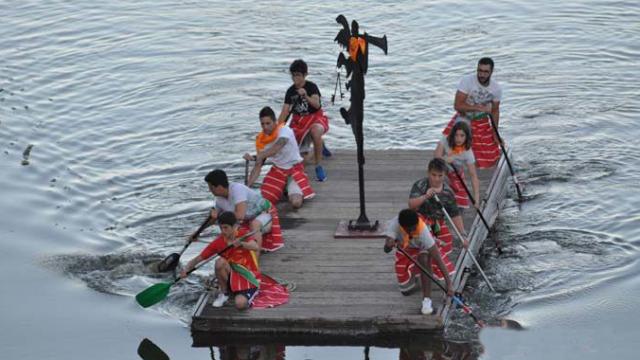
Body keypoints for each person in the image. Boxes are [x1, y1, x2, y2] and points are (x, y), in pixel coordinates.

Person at [181, 211, 260, 310]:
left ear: (234, 226)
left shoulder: (243, 234)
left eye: (226, 228)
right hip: (230, 274)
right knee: (220, 262)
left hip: (247, 275)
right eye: (221, 228)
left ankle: (249, 289)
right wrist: (186, 269)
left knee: (240, 305)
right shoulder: (218, 242)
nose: (223, 231)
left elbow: (255, 247)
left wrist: (242, 244)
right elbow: (198, 258)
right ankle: (224, 293)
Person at [189, 169, 283, 252]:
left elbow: (240, 215)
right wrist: (198, 232)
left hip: (266, 214)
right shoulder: (219, 200)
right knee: (227, 230)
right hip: (247, 220)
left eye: (211, 188)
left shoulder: (237, 189)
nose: (210, 190)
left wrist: (219, 217)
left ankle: (256, 259)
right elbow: (213, 219)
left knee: (254, 224)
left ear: (219, 187)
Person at [408, 158, 470, 284]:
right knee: (432, 246)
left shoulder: (448, 192)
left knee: (445, 244)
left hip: (437, 223)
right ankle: (423, 272)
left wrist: (462, 235)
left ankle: (430, 270)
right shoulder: (420, 185)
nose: (436, 179)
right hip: (419, 221)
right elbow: (411, 205)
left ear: (444, 175)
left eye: (440, 176)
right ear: (428, 173)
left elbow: (455, 214)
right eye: (433, 175)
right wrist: (425, 196)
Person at [384, 209, 454, 315]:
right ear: (402, 226)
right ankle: (415, 276)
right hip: (406, 249)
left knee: (424, 260)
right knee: (406, 290)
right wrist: (389, 244)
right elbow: (386, 250)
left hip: (422, 246)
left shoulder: (422, 230)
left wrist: (449, 285)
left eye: (414, 228)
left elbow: (438, 260)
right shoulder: (394, 226)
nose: (412, 231)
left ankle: (427, 300)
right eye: (409, 230)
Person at [245, 106, 315, 209]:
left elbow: (277, 147)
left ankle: (289, 187)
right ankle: (283, 188)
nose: (265, 127)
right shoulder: (260, 140)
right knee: (264, 203)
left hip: (294, 169)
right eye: (262, 124)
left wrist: (257, 156)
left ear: (275, 122)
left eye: (268, 123)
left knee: (296, 203)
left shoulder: (284, 130)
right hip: (277, 171)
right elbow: (258, 167)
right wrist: (247, 186)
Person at [443, 57, 502, 168]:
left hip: (482, 120)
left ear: (491, 72)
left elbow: (495, 111)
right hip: (465, 117)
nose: (482, 74)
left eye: (485, 72)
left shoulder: (496, 88)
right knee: (454, 144)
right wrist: (476, 108)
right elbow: (457, 105)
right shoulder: (467, 81)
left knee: (490, 158)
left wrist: (495, 133)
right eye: (479, 71)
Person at [277, 59, 330, 182]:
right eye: (293, 75)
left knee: (316, 131)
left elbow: (317, 105)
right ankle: (320, 147)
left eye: (298, 75)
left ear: (305, 75)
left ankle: (318, 166)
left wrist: (306, 96)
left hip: (315, 117)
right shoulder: (290, 91)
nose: (295, 78)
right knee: (302, 160)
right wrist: (276, 129)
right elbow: (285, 112)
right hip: (298, 122)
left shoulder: (311, 87)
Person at [434, 121, 481, 209]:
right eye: (456, 135)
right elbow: (436, 158)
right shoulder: (445, 139)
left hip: (456, 174)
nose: (458, 139)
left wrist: (476, 199)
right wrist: (445, 159)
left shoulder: (468, 152)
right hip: (441, 171)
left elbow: (473, 176)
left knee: (459, 204)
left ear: (467, 137)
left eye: (462, 135)